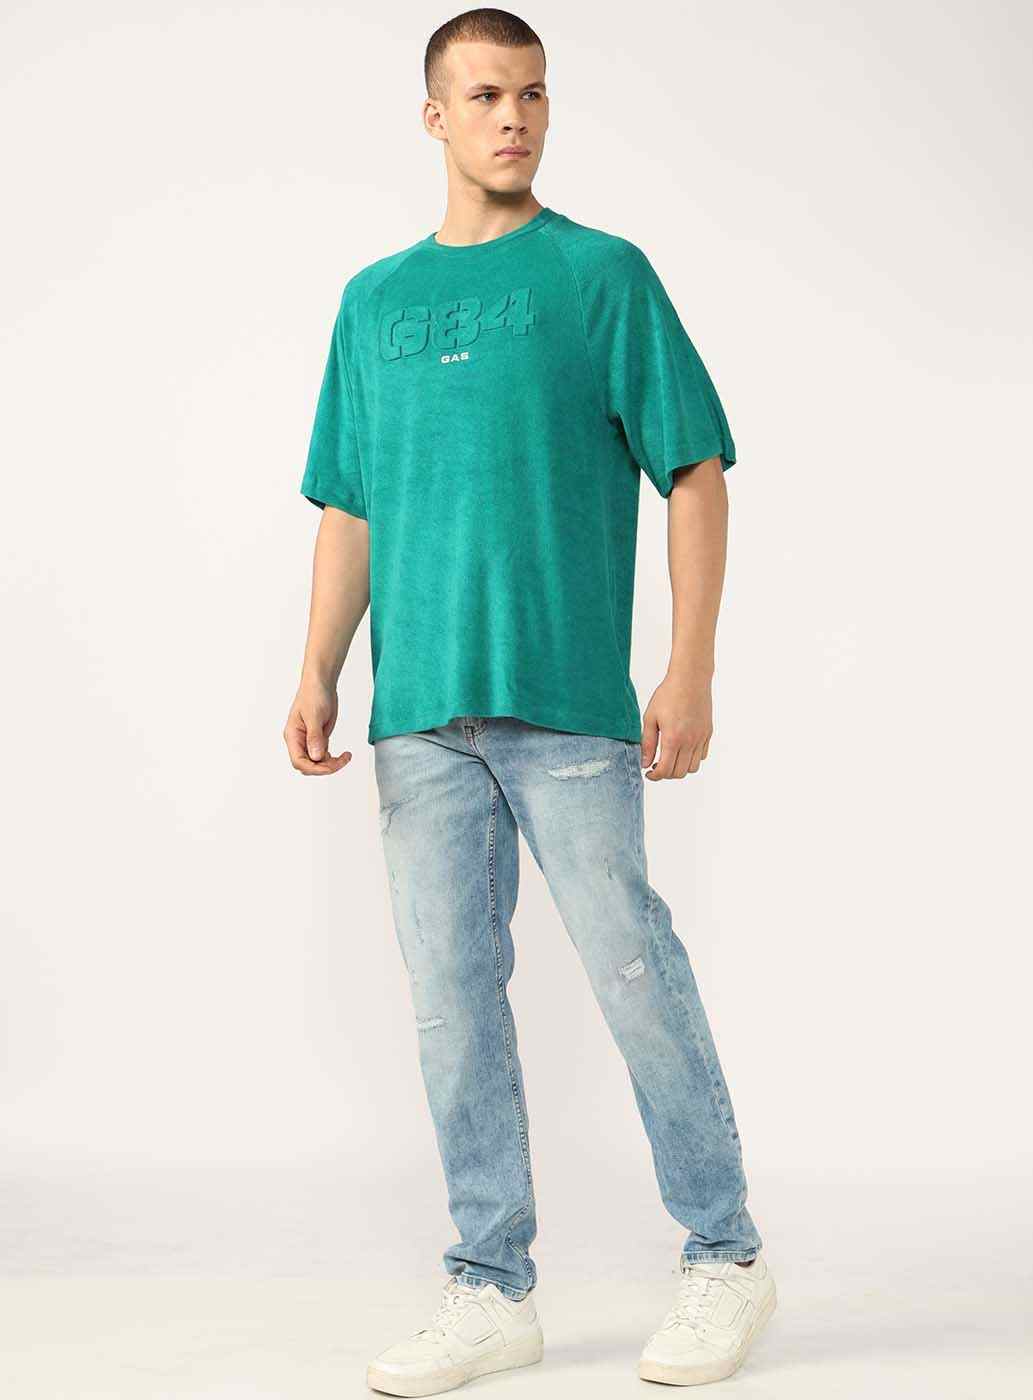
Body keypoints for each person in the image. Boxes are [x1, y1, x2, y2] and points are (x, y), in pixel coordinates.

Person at [283, 7, 776, 1393]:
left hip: (566, 705)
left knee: (632, 971)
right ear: (434, 116)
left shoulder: (600, 276)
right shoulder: (372, 302)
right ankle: (489, 1286)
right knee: (452, 1004)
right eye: (487, 96)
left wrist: (690, 665)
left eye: (534, 95)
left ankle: (725, 1254)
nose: (514, 118)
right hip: (417, 716)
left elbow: (693, 470)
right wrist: (319, 666)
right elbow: (349, 505)